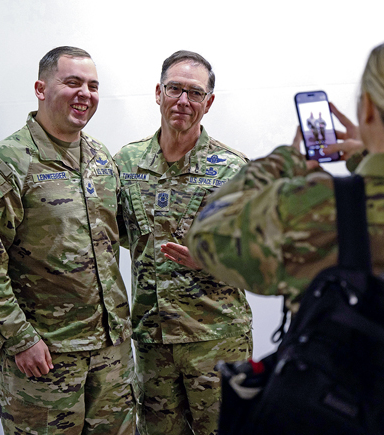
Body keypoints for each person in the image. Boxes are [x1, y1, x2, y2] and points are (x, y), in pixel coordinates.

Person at [186, 37, 384, 435]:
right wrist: (370, 154)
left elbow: (207, 234)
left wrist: (286, 160)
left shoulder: (310, 208)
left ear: (368, 107)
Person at [0, 46, 135, 435]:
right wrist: (20, 339)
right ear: (41, 88)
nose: (84, 94)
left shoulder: (101, 158)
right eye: (72, 82)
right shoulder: (6, 164)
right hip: (47, 360)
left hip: (111, 357)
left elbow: (122, 233)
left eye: (92, 86)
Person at [114, 50, 253, 435]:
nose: (183, 101)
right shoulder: (126, 163)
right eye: (174, 89)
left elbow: (266, 254)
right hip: (152, 341)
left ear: (208, 102)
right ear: (158, 93)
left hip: (217, 341)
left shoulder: (233, 169)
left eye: (195, 93)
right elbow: (114, 234)